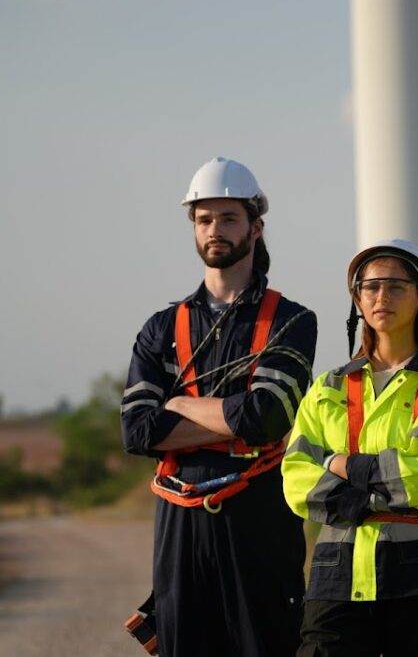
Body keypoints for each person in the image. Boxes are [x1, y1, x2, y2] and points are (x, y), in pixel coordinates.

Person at [121, 157, 318, 656]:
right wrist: (232, 417)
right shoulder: (159, 329)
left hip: (259, 521)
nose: (215, 229)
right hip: (179, 528)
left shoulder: (292, 321)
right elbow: (139, 432)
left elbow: (267, 417)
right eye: (204, 219)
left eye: (228, 218)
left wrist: (180, 406)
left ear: (256, 226)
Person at [282, 239, 418, 657]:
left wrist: (335, 463)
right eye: (369, 287)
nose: (381, 297)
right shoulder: (328, 386)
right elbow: (296, 477)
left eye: (395, 286)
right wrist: (371, 493)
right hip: (338, 573)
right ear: (358, 298)